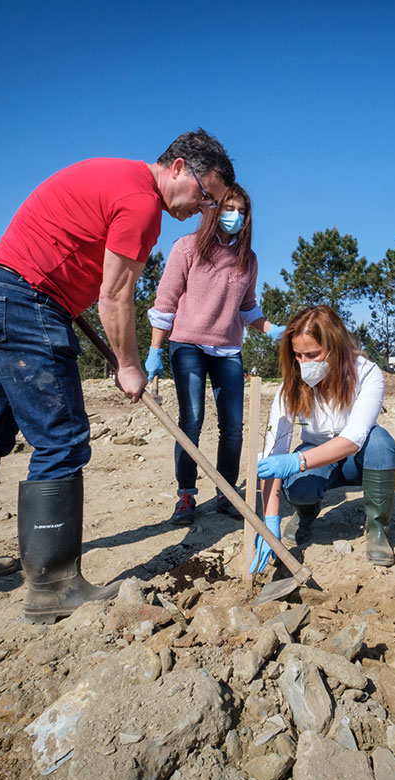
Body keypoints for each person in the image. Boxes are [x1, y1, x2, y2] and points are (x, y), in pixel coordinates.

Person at [0, 130, 235, 624]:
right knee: (61, 438)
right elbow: (115, 296)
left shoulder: (115, 175)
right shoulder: (142, 202)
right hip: (25, 302)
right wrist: (129, 365)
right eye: (205, 195)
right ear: (178, 169)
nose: (204, 207)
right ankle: (54, 585)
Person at [143, 183, 284, 524]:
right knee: (191, 421)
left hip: (228, 349)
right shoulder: (187, 249)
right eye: (228, 208)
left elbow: (247, 308)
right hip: (187, 345)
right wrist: (154, 350)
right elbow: (166, 303)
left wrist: (273, 330)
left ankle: (225, 492)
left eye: (241, 211)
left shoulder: (247, 260)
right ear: (213, 210)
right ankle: (186, 497)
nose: (234, 216)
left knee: (233, 426)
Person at [252, 306, 395, 568]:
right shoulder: (291, 387)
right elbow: (275, 450)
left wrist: (295, 462)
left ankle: (377, 528)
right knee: (299, 487)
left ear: (335, 347)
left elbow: (353, 439)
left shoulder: (366, 374)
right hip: (316, 453)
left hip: (358, 457)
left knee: (380, 442)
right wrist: (270, 520)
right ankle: (305, 514)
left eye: (313, 354)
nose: (304, 363)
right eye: (298, 355)